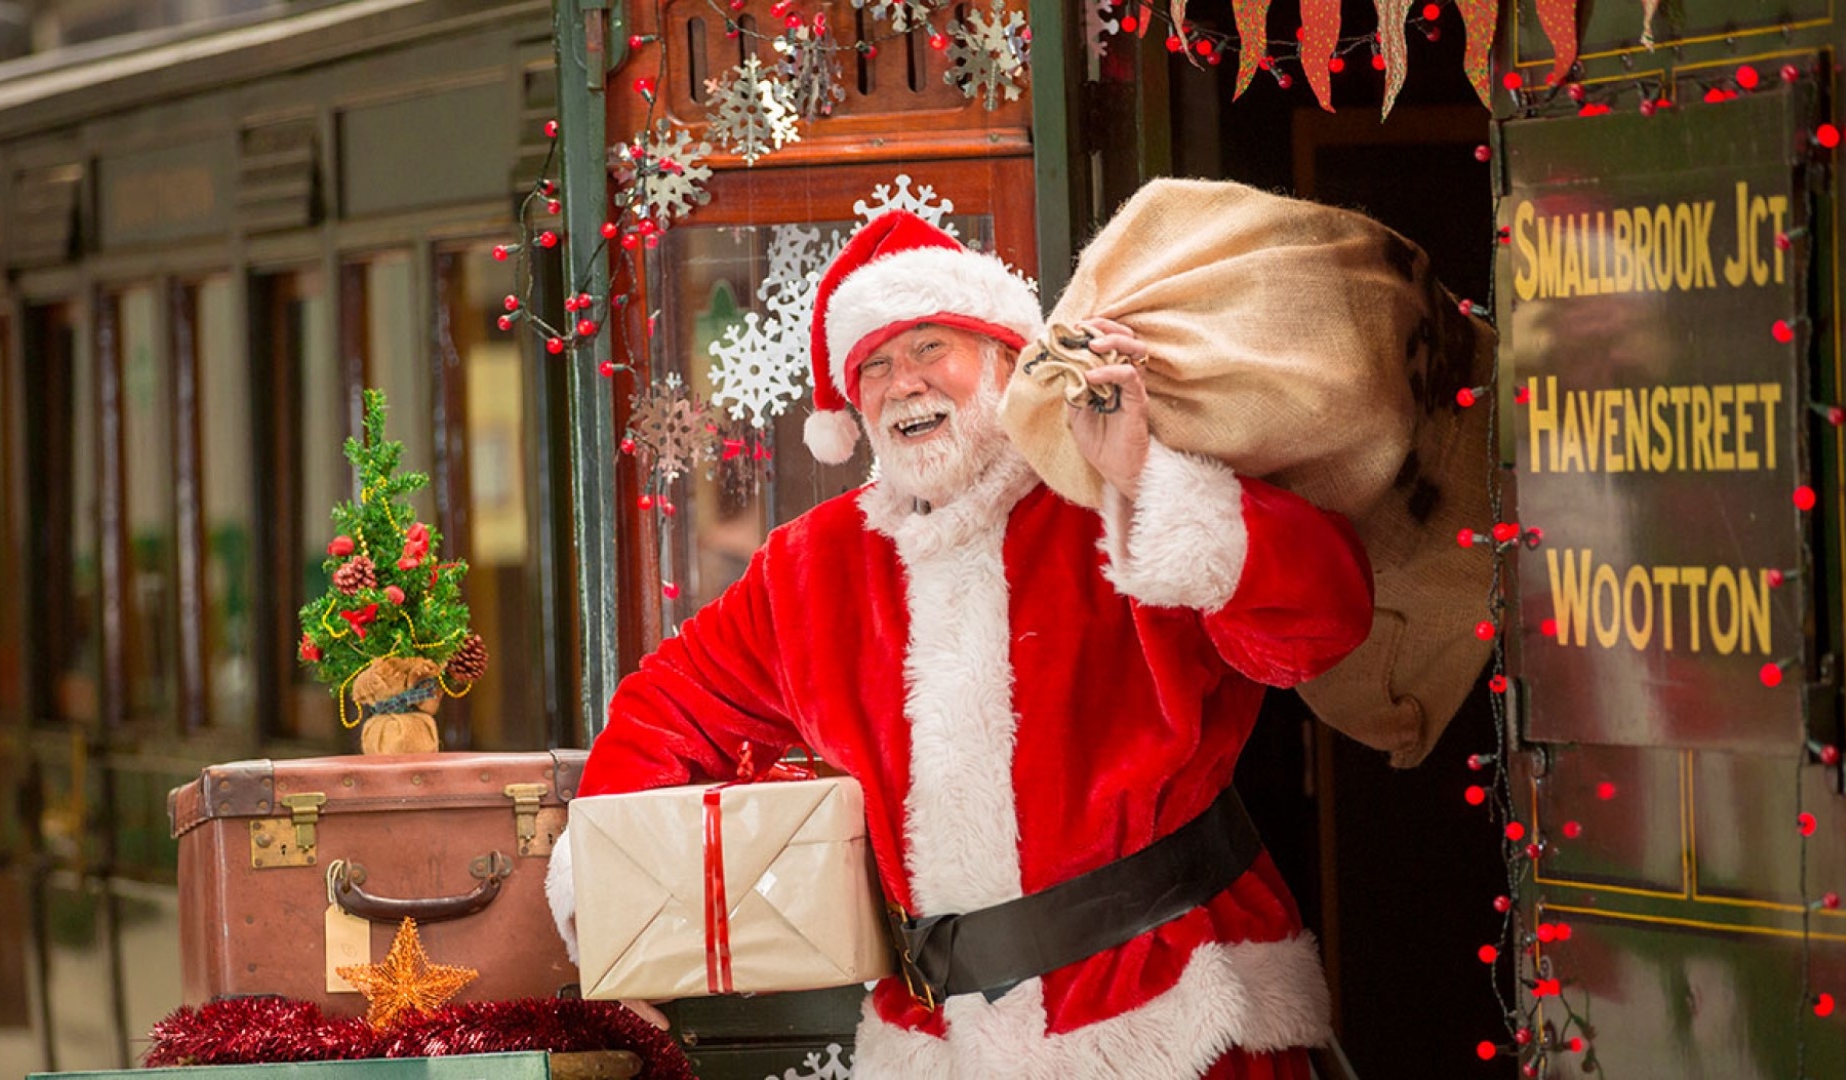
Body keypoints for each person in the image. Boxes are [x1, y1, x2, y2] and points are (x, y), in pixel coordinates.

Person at [548, 210, 1375, 1079]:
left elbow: (1320, 628)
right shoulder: (811, 565)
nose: (902, 382)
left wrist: (1143, 477)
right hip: (938, 1041)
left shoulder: (1111, 498)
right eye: (872, 364)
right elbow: (667, 709)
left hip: (1172, 1010)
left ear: (1006, 360)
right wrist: (611, 907)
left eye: (929, 346)